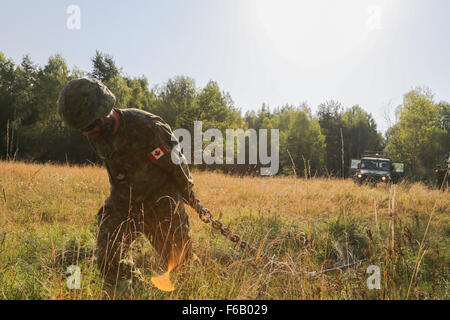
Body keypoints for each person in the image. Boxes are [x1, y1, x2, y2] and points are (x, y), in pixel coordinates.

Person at [58, 77, 194, 292]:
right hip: (123, 201)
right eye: (82, 129)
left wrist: (188, 196)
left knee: (180, 267)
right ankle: (127, 291)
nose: (88, 133)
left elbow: (177, 164)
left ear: (106, 111)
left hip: (160, 200)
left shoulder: (147, 128)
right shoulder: (95, 132)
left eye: (90, 126)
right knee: (108, 255)